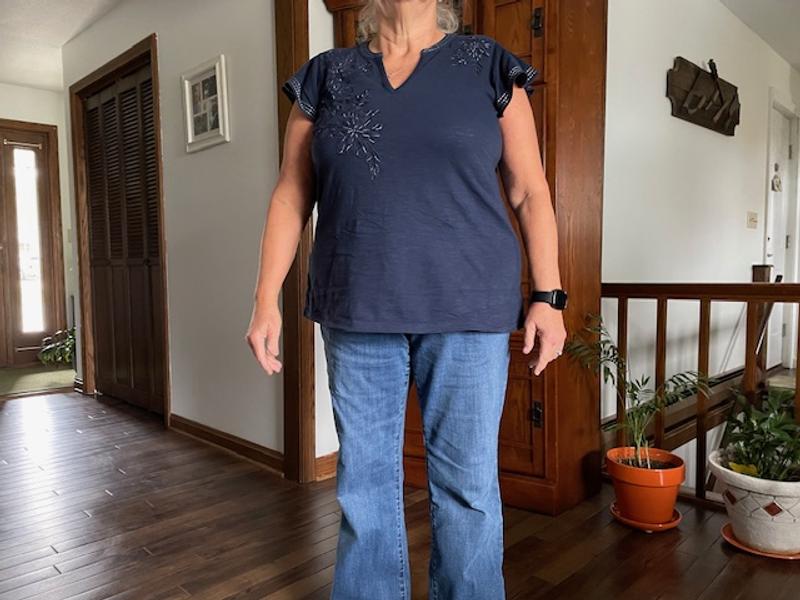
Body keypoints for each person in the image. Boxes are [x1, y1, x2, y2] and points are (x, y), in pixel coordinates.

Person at [246, 1, 566, 597]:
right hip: (356, 303)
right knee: (363, 488)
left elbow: (529, 190)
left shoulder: (487, 64)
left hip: (469, 306)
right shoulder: (326, 75)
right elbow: (291, 194)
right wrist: (267, 299)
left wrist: (549, 297)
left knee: (468, 489)